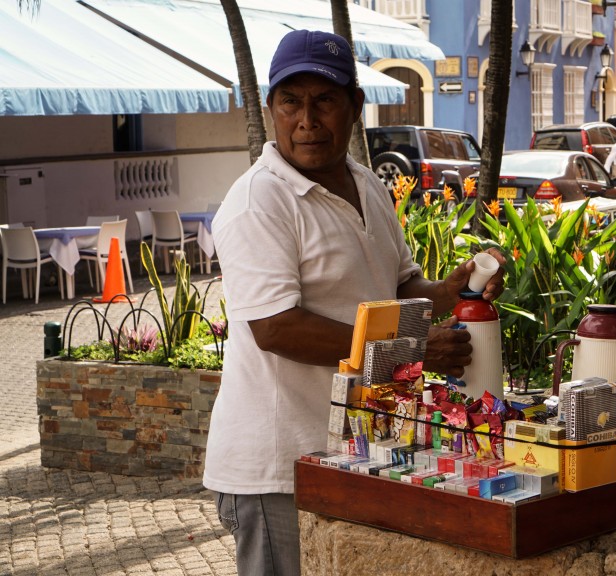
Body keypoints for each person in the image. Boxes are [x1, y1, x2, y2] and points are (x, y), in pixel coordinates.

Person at [203, 30, 505, 575]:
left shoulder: (366, 185)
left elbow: (399, 290)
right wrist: (412, 351)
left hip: (354, 454)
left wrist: (453, 289)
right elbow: (276, 330)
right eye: (290, 102)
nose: (307, 119)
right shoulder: (258, 202)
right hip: (279, 467)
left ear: (355, 106)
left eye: (325, 101)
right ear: (271, 109)